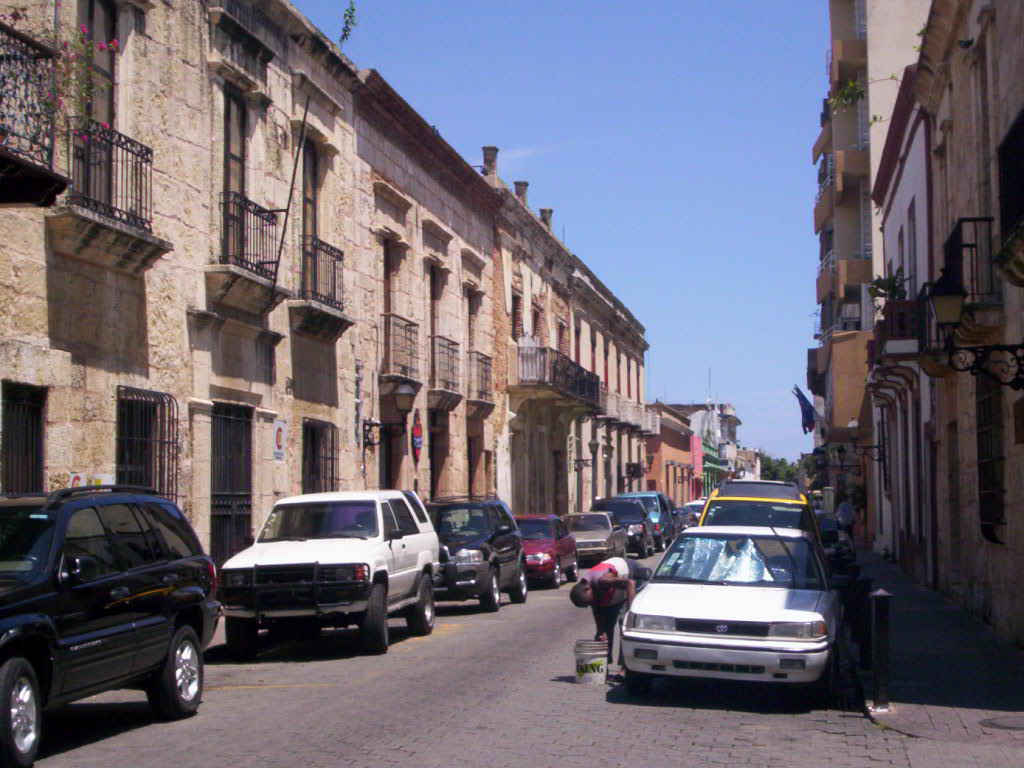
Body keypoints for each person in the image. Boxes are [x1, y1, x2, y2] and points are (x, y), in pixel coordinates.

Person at [569, 556, 640, 664]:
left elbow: (630, 583)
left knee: (625, 625)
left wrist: (630, 613)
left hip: (635, 575)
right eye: (588, 604)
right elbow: (597, 612)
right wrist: (600, 631)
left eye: (589, 601)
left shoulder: (603, 580)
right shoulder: (589, 591)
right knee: (605, 627)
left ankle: (625, 666)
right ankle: (604, 663)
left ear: (588, 589)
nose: (591, 604)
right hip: (617, 588)